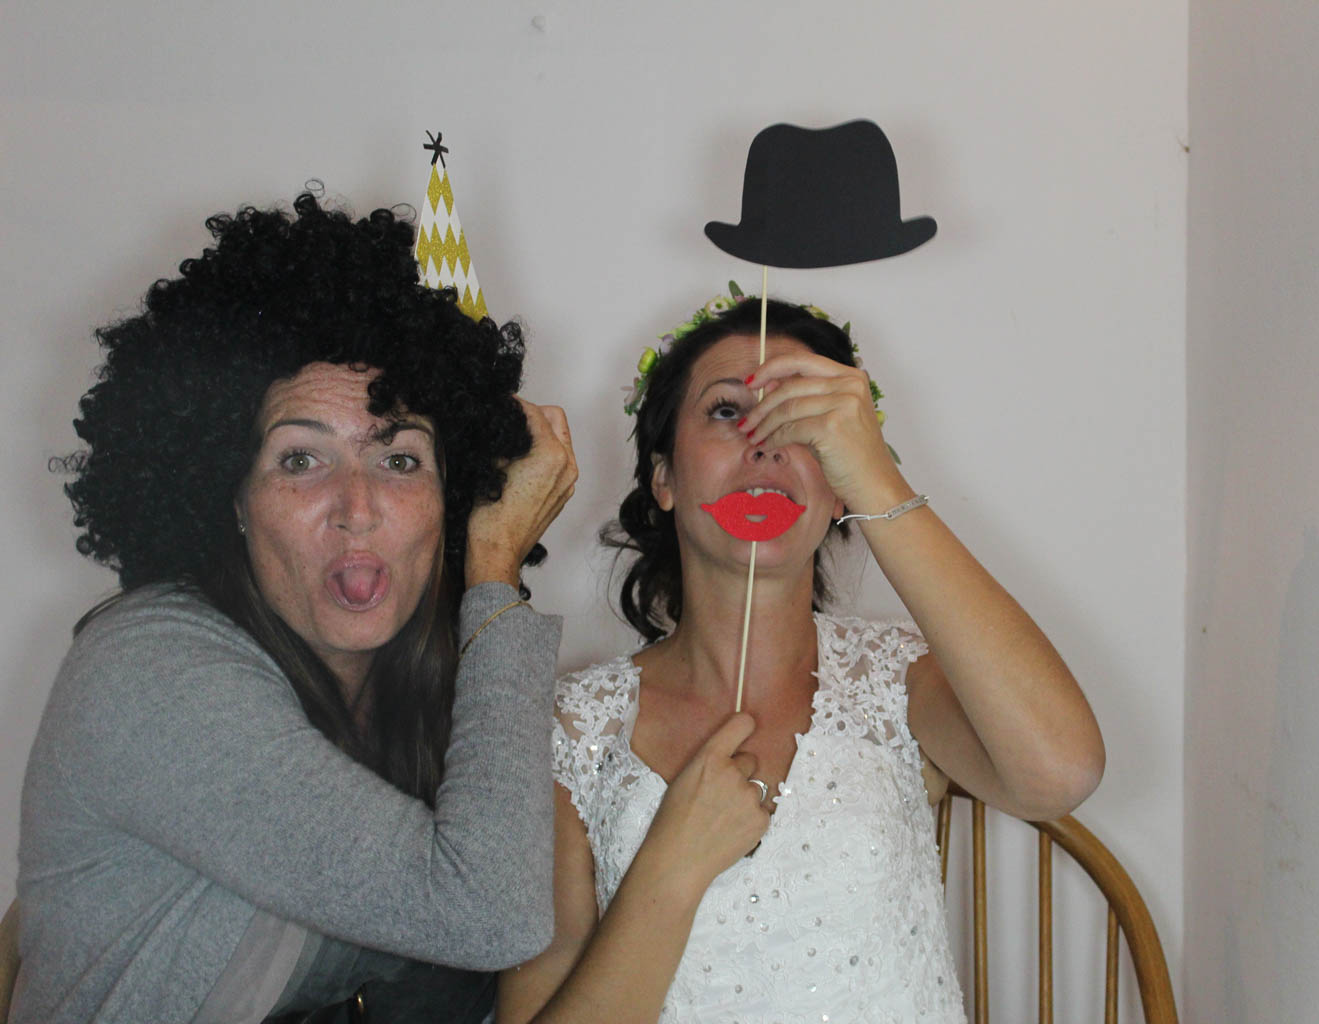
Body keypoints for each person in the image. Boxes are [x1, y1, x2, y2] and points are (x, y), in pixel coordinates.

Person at [11, 191, 578, 1024]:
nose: (357, 507)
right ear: (232, 498)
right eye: (301, 459)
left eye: (399, 459)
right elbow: (490, 914)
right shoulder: (150, 670)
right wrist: (495, 574)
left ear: (453, 500)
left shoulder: (427, 699)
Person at [498, 294, 1104, 1022]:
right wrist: (670, 871)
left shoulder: (900, 680)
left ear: (840, 483)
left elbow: (1061, 774)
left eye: (802, 420)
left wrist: (877, 479)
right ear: (664, 478)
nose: (765, 442)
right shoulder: (573, 729)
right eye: (727, 410)